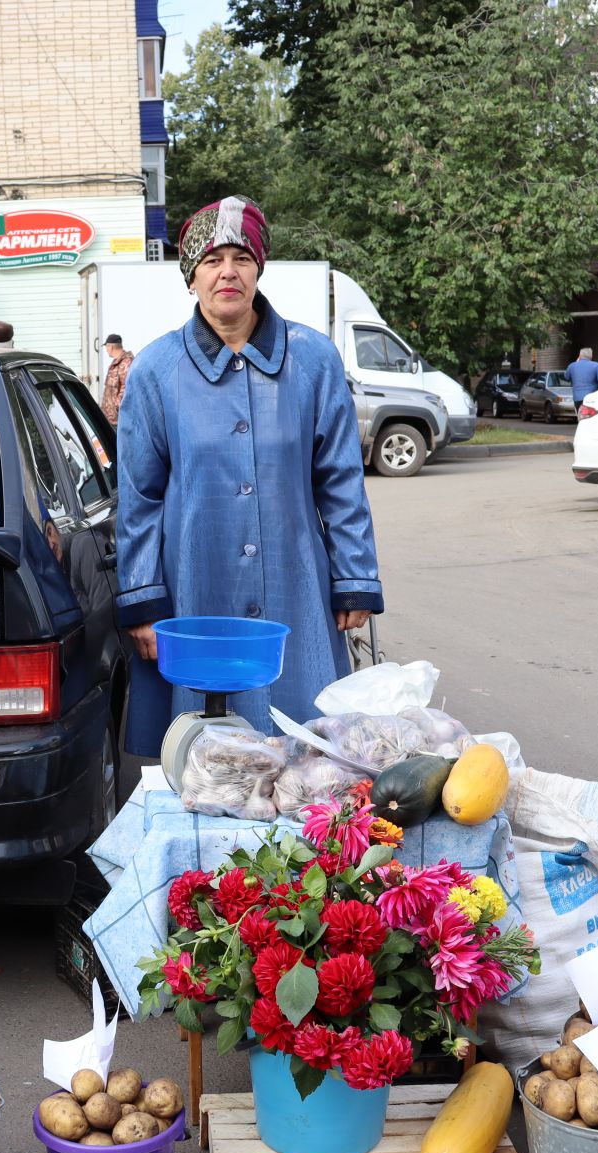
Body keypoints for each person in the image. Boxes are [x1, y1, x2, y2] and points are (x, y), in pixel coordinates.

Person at [115, 195, 382, 755]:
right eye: (211, 261)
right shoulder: (156, 371)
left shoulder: (313, 359)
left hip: (296, 583)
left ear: (260, 268)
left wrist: (354, 578)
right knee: (203, 754)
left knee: (308, 750)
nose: (227, 272)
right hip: (194, 584)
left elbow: (340, 481)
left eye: (241, 257)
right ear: (191, 278)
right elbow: (139, 496)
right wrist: (144, 601)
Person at [100, 334, 136, 426]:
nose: (106, 350)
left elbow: (127, 386)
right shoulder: (116, 363)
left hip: (119, 421)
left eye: (107, 347)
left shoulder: (126, 362)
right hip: (110, 420)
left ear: (111, 346)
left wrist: (117, 406)